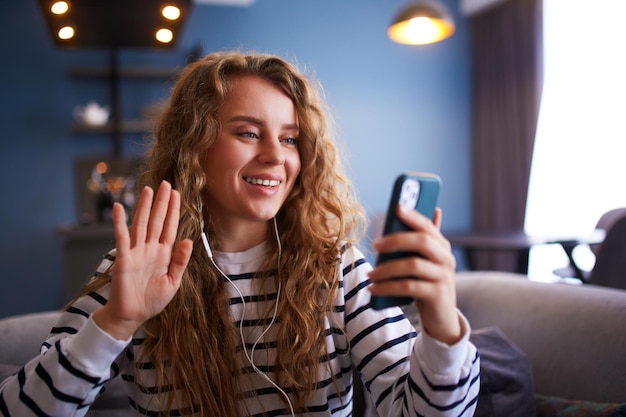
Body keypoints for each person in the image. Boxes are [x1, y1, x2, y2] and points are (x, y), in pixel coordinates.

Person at [0, 51, 480, 416]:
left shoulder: (338, 268)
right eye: (249, 132)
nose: (276, 155)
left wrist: (441, 328)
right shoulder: (136, 269)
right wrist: (116, 324)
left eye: (291, 138)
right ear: (195, 146)